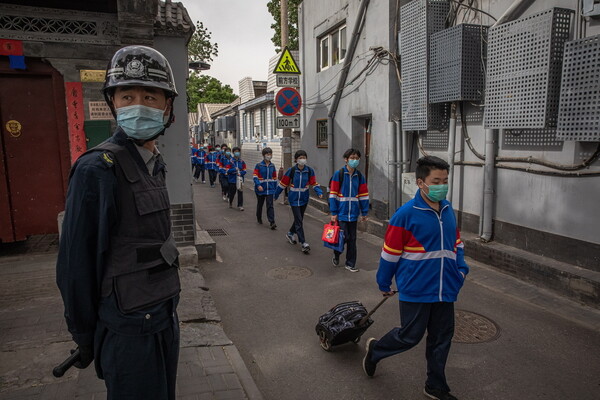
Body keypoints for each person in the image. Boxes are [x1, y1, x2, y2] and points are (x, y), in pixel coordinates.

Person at [56, 45, 181, 399]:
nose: (138, 104)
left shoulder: (153, 163)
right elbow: (75, 264)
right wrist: (83, 334)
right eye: (127, 96)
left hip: (162, 317)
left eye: (150, 96)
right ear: (113, 104)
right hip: (127, 330)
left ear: (167, 106)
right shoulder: (96, 169)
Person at [362, 156, 468, 400]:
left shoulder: (449, 210)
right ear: (421, 183)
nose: (442, 185)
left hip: (445, 289)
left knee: (442, 339)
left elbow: (457, 243)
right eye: (436, 181)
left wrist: (461, 271)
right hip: (415, 289)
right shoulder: (405, 215)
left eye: (445, 180)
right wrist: (383, 282)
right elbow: (390, 254)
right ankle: (376, 350)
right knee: (409, 337)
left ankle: (435, 386)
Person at [328, 148, 369, 272]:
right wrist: (334, 213)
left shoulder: (360, 176)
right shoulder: (339, 174)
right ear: (346, 159)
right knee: (343, 237)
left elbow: (363, 195)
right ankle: (336, 254)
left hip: (354, 214)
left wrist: (364, 212)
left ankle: (350, 263)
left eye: (357, 158)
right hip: (341, 213)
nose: (354, 160)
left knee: (352, 239)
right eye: (352, 158)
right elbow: (333, 194)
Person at [275, 150, 323, 254]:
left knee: (298, 219)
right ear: (296, 159)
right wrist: (276, 194)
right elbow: (283, 184)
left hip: (304, 199)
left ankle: (290, 233)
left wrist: (319, 192)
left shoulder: (309, 171)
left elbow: (314, 183)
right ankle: (303, 243)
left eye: (304, 157)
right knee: (299, 220)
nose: (302, 159)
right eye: (300, 157)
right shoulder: (291, 171)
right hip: (294, 199)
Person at [253, 147, 278, 229]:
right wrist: (258, 185)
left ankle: (272, 222)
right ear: (263, 155)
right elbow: (255, 176)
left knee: (270, 205)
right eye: (267, 154)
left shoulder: (272, 166)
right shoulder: (259, 165)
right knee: (260, 204)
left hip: (270, 189)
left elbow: (274, 178)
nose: (269, 156)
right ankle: (259, 217)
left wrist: (275, 190)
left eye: (270, 154)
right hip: (261, 189)